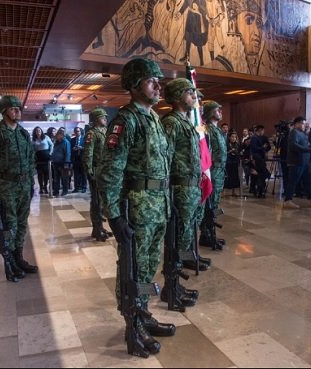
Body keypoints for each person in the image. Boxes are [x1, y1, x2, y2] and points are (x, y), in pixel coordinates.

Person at [97, 58, 175, 357]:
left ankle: (142, 312)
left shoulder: (153, 119)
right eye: (150, 80)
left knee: (148, 265)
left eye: (159, 79)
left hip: (158, 205)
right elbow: (110, 172)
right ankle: (132, 320)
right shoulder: (125, 121)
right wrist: (113, 216)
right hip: (139, 207)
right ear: (133, 85)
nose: (158, 85)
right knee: (133, 267)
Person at [160, 78, 208, 307]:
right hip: (179, 189)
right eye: (190, 93)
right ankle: (170, 289)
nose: (194, 97)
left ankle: (175, 285)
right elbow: (165, 159)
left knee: (184, 237)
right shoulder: (171, 122)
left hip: (189, 188)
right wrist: (169, 194)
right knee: (177, 239)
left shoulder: (184, 121)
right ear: (179, 96)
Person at [0, 95, 38, 283]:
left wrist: (31, 182)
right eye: (13, 109)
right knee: (8, 224)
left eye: (18, 108)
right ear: (4, 111)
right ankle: (9, 262)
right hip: (6, 185)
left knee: (22, 223)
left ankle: (19, 258)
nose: (17, 111)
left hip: (24, 184)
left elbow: (30, 159)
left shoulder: (22, 133)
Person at [199, 100, 227, 250]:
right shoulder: (208, 129)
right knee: (209, 205)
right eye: (217, 110)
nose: (220, 112)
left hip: (219, 172)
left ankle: (211, 233)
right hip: (213, 172)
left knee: (214, 204)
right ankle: (206, 235)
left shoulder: (216, 130)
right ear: (210, 113)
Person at [83, 108, 112, 242]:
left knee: (103, 201)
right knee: (96, 201)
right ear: (95, 120)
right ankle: (96, 228)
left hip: (106, 171)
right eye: (102, 117)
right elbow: (88, 153)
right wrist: (89, 170)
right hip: (96, 171)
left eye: (105, 117)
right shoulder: (92, 134)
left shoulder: (105, 132)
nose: (105, 119)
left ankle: (101, 226)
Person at [283, 117, 311, 209]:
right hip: (296, 161)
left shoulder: (303, 133)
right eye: (302, 123)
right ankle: (288, 200)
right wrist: (308, 149)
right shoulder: (294, 132)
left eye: (304, 123)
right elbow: (293, 145)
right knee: (293, 181)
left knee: (308, 181)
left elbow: (305, 144)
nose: (304, 125)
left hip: (304, 162)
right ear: (296, 124)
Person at [250, 125, 271, 198]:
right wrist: (263, 147)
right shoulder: (254, 138)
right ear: (260, 130)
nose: (263, 132)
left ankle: (260, 189)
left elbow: (268, 146)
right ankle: (259, 190)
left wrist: (265, 150)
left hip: (262, 158)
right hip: (257, 158)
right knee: (262, 174)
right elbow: (254, 148)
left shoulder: (264, 138)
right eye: (262, 130)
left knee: (262, 174)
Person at [32, 127, 53, 195]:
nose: (38, 131)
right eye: (37, 130)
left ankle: (45, 187)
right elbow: (32, 148)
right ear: (35, 132)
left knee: (46, 173)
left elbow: (51, 144)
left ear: (41, 131)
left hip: (46, 156)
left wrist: (50, 152)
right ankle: (41, 187)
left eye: (39, 130)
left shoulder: (46, 137)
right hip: (38, 158)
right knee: (40, 174)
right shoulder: (33, 139)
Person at [51, 129, 72, 197]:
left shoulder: (66, 142)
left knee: (64, 178)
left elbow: (67, 153)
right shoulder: (56, 142)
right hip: (55, 163)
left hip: (63, 163)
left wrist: (66, 164)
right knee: (56, 178)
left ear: (61, 135)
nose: (56, 136)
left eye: (57, 134)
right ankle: (56, 191)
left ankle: (65, 190)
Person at [225, 131, 241, 196]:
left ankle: (233, 191)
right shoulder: (226, 144)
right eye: (232, 137)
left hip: (235, 162)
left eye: (235, 137)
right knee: (227, 176)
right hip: (228, 162)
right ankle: (224, 192)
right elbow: (224, 153)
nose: (234, 138)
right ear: (229, 137)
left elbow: (239, 152)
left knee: (235, 176)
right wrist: (230, 151)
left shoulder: (237, 144)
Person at [71, 127, 86, 193]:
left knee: (83, 174)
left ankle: (84, 187)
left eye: (78, 131)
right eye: (76, 131)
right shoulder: (72, 140)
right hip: (75, 158)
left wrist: (81, 148)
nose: (77, 133)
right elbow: (70, 149)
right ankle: (76, 188)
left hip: (83, 158)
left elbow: (88, 148)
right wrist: (73, 149)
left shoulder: (84, 139)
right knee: (76, 174)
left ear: (80, 132)